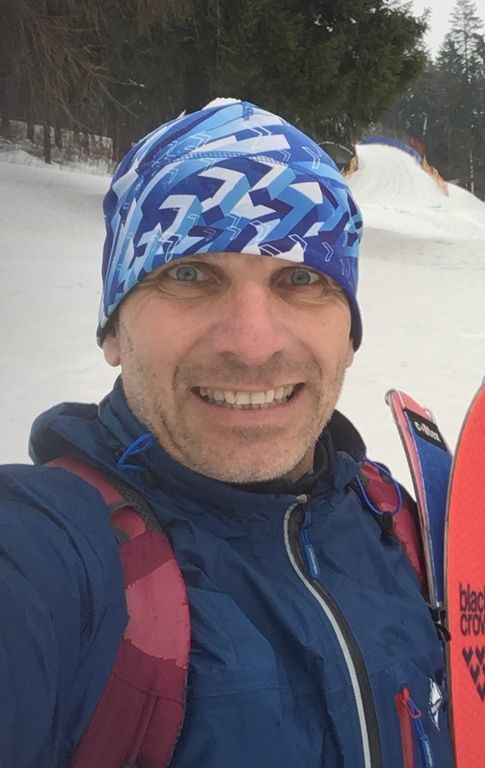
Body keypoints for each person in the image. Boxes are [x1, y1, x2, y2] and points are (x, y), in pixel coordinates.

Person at [0, 100, 453, 768]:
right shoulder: (51, 554)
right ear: (114, 331)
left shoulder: (400, 528)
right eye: (189, 274)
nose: (252, 344)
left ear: (348, 335)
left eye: (302, 278)